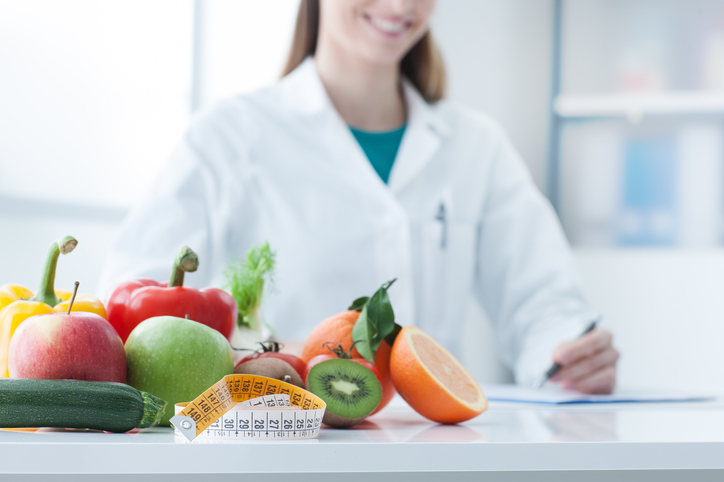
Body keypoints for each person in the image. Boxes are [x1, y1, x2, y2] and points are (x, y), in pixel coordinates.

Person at [99, 0, 619, 394]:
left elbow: (543, 302)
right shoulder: (229, 134)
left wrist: (568, 357)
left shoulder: (475, 145)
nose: (400, 5)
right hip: (282, 440)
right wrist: (268, 353)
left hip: (434, 445)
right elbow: (134, 305)